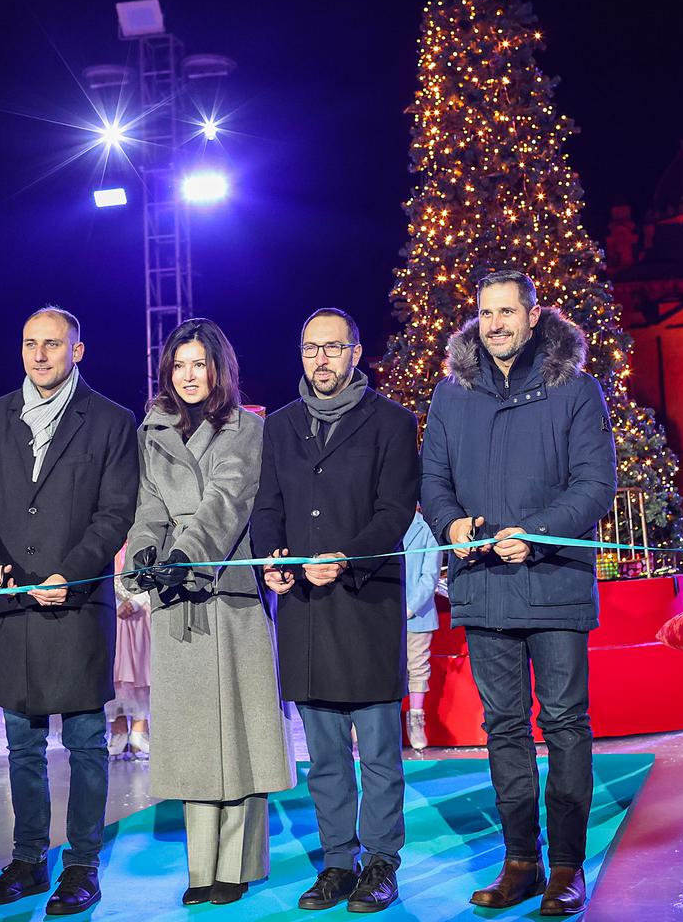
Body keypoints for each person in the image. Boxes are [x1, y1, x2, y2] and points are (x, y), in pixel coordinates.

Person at [420, 271, 617, 917]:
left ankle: (566, 867)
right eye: (486, 313)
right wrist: (451, 524)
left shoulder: (575, 389)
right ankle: (521, 863)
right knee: (503, 727)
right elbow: (433, 479)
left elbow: (595, 484)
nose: (496, 324)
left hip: (554, 583)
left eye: (508, 312)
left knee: (563, 723)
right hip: (483, 586)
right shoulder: (452, 394)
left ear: (533, 316)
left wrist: (535, 533)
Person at [0, 306, 138, 916]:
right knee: (22, 744)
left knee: (86, 742)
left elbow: (115, 512)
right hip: (14, 607)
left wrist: (75, 570)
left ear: (77, 351)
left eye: (52, 344)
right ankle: (29, 859)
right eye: (30, 343)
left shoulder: (111, 421)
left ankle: (82, 866)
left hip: (77, 604)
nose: (39, 354)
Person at [253, 307, 420, 913]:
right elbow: (266, 506)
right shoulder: (279, 426)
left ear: (355, 352)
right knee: (323, 756)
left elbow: (395, 510)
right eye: (310, 348)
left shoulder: (392, 422)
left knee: (378, 753)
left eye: (331, 348)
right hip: (306, 610)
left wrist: (347, 558)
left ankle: (381, 863)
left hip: (366, 604)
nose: (320, 359)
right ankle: (337, 863)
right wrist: (273, 560)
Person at [124, 319, 295, 907]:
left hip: (231, 594)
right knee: (195, 739)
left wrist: (183, 557)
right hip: (178, 603)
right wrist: (143, 557)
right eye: (179, 365)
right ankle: (202, 868)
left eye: (199, 364)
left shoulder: (248, 428)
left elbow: (227, 502)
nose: (188, 375)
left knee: (240, 734)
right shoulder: (152, 431)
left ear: (220, 369)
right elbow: (148, 508)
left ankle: (239, 864)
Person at [402, 508, 445, 752]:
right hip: (382, 613)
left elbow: (430, 576)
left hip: (418, 614)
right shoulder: (381, 518)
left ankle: (416, 719)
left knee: (417, 666)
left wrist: (409, 607)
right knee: (379, 666)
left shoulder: (427, 527)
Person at [105, 548, 151, 760]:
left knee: (140, 674)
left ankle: (139, 731)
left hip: (140, 616)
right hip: (111, 615)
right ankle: (119, 731)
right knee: (115, 676)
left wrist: (135, 603)